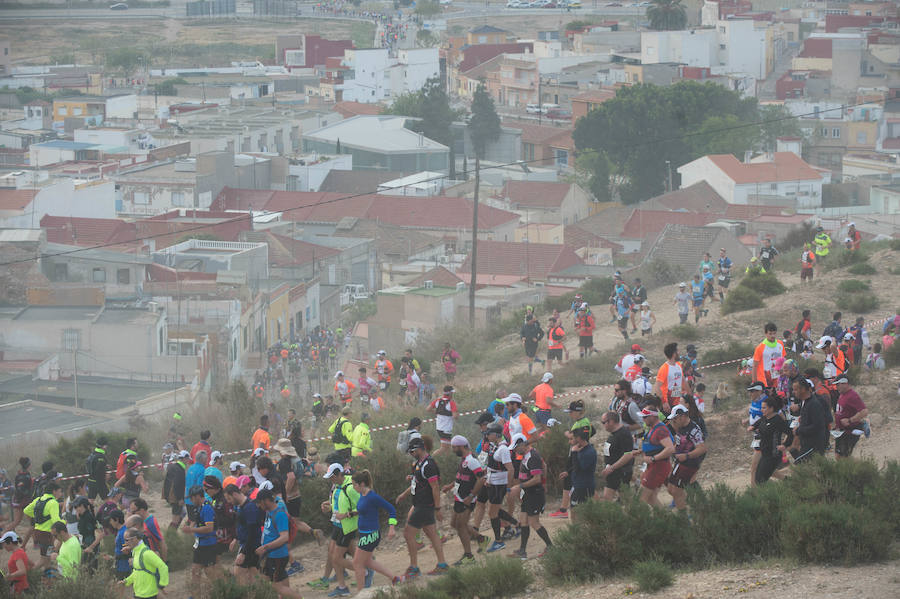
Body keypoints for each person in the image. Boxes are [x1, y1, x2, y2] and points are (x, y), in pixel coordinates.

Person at [396, 437, 448, 577]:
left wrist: (437, 509)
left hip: (424, 505)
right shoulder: (420, 463)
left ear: (419, 449)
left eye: (412, 451)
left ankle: (414, 568)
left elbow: (435, 487)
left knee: (408, 534)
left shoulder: (428, 465)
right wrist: (404, 494)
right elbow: (417, 482)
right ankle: (442, 564)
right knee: (432, 533)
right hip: (422, 504)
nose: (411, 454)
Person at [351, 470, 405, 589]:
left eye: (354, 484)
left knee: (357, 563)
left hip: (370, 535)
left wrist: (392, 528)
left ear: (362, 484)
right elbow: (365, 510)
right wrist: (351, 513)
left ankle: (361, 594)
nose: (353, 487)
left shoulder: (372, 497)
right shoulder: (362, 494)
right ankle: (396, 579)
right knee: (368, 562)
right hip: (364, 533)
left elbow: (391, 509)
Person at [441, 435, 486, 565]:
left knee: (461, 526)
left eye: (454, 448)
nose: (453, 450)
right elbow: (460, 477)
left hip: (467, 499)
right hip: (459, 496)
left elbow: (481, 479)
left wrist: (471, 496)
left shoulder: (472, 461)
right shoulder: (464, 460)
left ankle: (468, 556)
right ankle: (480, 538)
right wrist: (450, 486)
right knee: (454, 524)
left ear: (461, 446)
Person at [508, 434, 552, 559]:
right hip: (528, 493)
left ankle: (550, 546)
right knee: (523, 520)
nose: (515, 450)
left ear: (523, 444)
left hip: (534, 493)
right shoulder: (527, 456)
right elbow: (544, 467)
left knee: (534, 522)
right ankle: (522, 551)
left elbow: (536, 479)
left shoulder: (533, 457)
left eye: (516, 447)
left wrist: (519, 486)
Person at [255, 489, 303, 599]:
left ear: (266, 501)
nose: (258, 505)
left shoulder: (279, 514)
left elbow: (284, 537)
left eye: (260, 502)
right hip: (272, 554)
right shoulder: (269, 512)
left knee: (275, 585)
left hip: (277, 555)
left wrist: (265, 547)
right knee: (280, 579)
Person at [322, 463, 358, 596]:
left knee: (337, 558)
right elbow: (339, 504)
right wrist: (329, 507)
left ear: (339, 474)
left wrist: (347, 515)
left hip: (346, 526)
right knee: (333, 556)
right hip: (337, 524)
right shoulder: (337, 485)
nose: (330, 480)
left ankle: (364, 570)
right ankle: (342, 587)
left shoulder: (350, 487)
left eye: (332, 477)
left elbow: (363, 507)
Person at [482, 424, 518, 552]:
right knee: (495, 509)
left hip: (499, 484)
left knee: (492, 512)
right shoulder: (494, 445)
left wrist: (508, 487)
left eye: (489, 433)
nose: (487, 435)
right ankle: (517, 525)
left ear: (496, 435)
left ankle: (498, 541)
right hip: (493, 481)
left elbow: (511, 469)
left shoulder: (503, 449)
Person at [665, 405, 707, 512]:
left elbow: (702, 448)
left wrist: (686, 455)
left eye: (675, 419)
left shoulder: (694, 430)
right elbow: (679, 444)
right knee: (670, 488)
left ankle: (686, 516)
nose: (673, 421)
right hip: (680, 462)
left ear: (682, 416)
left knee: (676, 491)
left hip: (689, 464)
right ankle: (693, 504)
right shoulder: (681, 427)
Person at [181, 485, 220, 595]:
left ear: (198, 496)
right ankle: (195, 595)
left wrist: (191, 529)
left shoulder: (207, 508)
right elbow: (196, 521)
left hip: (208, 544)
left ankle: (222, 591)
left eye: (192, 497)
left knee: (210, 572)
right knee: (195, 571)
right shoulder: (199, 507)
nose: (191, 500)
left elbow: (209, 528)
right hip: (201, 544)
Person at [224, 483, 264, 583]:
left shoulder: (249, 507)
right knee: (254, 574)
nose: (229, 502)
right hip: (248, 545)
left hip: (251, 546)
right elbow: (243, 527)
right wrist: (236, 539)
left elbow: (252, 531)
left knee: (239, 573)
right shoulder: (242, 507)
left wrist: (243, 552)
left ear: (234, 494)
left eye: (229, 499)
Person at [638, 406, 675, 508]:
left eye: (645, 417)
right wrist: (642, 451)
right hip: (655, 466)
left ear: (653, 416)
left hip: (658, 466)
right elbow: (656, 445)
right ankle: (666, 519)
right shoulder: (654, 428)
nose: (643, 419)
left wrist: (653, 458)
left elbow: (670, 448)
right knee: (651, 497)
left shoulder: (660, 429)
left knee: (640, 498)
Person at [23, 480, 64, 572]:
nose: (61, 494)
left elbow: (26, 510)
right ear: (54, 491)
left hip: (37, 533)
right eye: (60, 491)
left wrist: (37, 516)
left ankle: (48, 578)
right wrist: (64, 522)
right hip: (47, 535)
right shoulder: (53, 502)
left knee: (47, 558)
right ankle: (27, 574)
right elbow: (56, 521)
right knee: (44, 559)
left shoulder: (38, 499)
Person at [752, 396, 793, 484]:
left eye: (764, 408)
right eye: (761, 408)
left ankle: (775, 493)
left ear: (771, 409)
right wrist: (753, 427)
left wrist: (785, 445)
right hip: (765, 453)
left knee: (760, 481)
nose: (761, 410)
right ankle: (789, 482)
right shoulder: (765, 418)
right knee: (758, 478)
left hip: (773, 455)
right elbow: (759, 423)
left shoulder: (777, 420)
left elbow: (790, 433)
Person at [121, 526, 169, 599]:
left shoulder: (146, 553)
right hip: (139, 593)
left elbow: (163, 566)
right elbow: (137, 572)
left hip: (148, 594)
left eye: (126, 540)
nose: (125, 543)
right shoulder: (136, 552)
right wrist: (126, 581)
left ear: (134, 539)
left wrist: (162, 584)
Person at [599, 411, 635, 502]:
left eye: (604, 422)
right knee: (616, 498)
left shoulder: (623, 434)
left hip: (621, 471)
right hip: (613, 471)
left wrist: (611, 468)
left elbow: (628, 455)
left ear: (611, 422)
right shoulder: (614, 433)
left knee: (621, 499)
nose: (603, 425)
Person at [792, 378, 827, 463]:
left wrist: (799, 430)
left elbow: (817, 426)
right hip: (806, 443)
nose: (794, 392)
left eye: (796, 389)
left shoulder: (814, 404)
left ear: (803, 389)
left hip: (813, 445)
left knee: (800, 467)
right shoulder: (805, 402)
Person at [833, 376, 868, 459]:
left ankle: (861, 468)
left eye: (838, 385)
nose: (836, 387)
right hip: (841, 431)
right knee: (838, 456)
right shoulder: (842, 395)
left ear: (845, 383)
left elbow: (864, 411)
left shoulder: (852, 396)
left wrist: (850, 420)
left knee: (844, 457)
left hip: (850, 431)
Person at [752, 322, 786, 388]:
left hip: (779, 377)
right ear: (766, 334)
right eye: (770, 334)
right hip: (764, 379)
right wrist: (755, 382)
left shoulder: (780, 344)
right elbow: (754, 366)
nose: (772, 336)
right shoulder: (760, 347)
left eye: (774, 333)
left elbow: (784, 359)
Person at [569, 429, 597, 508]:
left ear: (578, 438)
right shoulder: (581, 449)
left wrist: (574, 453)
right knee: (573, 508)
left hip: (584, 487)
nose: (570, 441)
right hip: (578, 485)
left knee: (580, 511)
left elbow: (578, 468)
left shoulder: (589, 452)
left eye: (572, 438)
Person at [162, 450, 189, 529]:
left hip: (170, 495)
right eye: (187, 459)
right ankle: (171, 535)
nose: (188, 461)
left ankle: (173, 532)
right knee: (176, 518)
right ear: (184, 458)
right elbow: (177, 485)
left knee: (182, 513)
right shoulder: (180, 469)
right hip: (176, 497)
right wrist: (180, 498)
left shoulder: (173, 466)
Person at [428, 386, 459, 455]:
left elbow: (428, 409)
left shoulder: (438, 400)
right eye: (452, 393)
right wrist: (455, 413)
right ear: (450, 393)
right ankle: (432, 458)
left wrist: (438, 412)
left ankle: (446, 461)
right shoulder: (451, 403)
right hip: (446, 428)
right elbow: (455, 416)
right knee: (444, 448)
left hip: (439, 427)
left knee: (447, 448)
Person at [654, 342, 684, 411]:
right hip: (667, 404)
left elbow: (683, 381)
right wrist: (664, 402)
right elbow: (657, 387)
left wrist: (689, 394)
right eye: (677, 351)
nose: (679, 353)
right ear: (674, 354)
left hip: (676, 402)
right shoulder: (664, 368)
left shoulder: (679, 365)